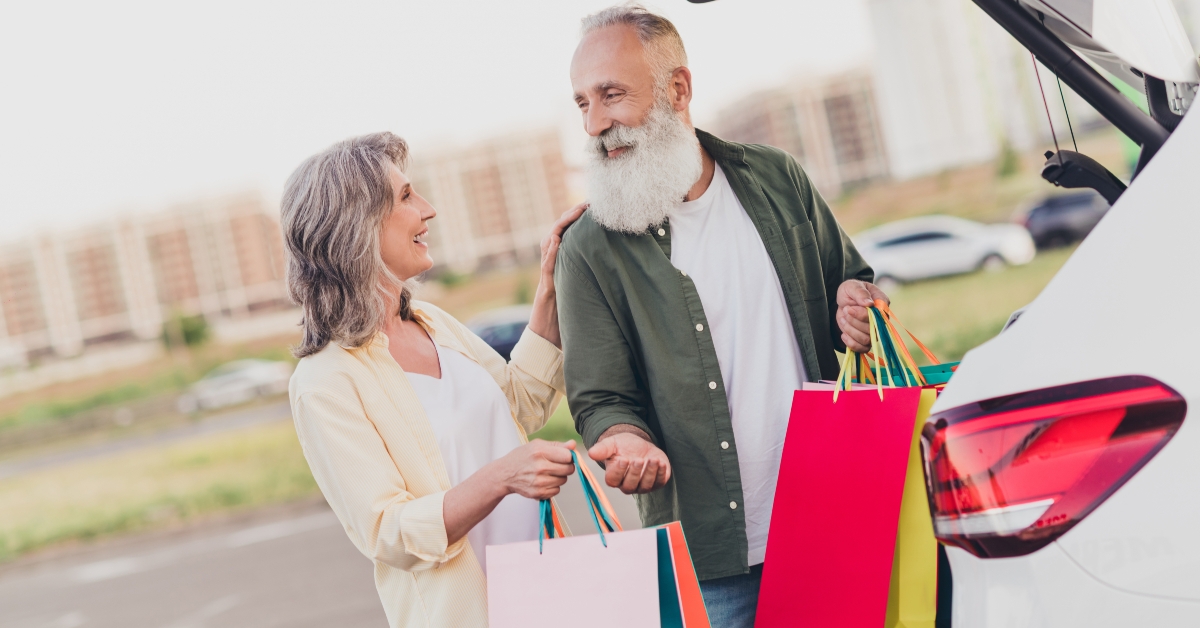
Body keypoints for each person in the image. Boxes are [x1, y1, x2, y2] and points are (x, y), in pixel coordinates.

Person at [555, 5, 890, 626]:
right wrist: (625, 439)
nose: (595, 123)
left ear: (678, 89)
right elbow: (600, 398)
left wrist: (857, 307)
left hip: (830, 517)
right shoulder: (589, 248)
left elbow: (854, 282)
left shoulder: (776, 177)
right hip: (709, 560)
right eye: (582, 103)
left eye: (612, 95)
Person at [281, 131, 586, 628]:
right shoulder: (325, 382)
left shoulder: (433, 322)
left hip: (550, 597)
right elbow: (387, 532)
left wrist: (549, 287)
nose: (428, 209)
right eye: (405, 197)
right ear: (357, 225)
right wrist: (503, 477)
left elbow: (520, 405)